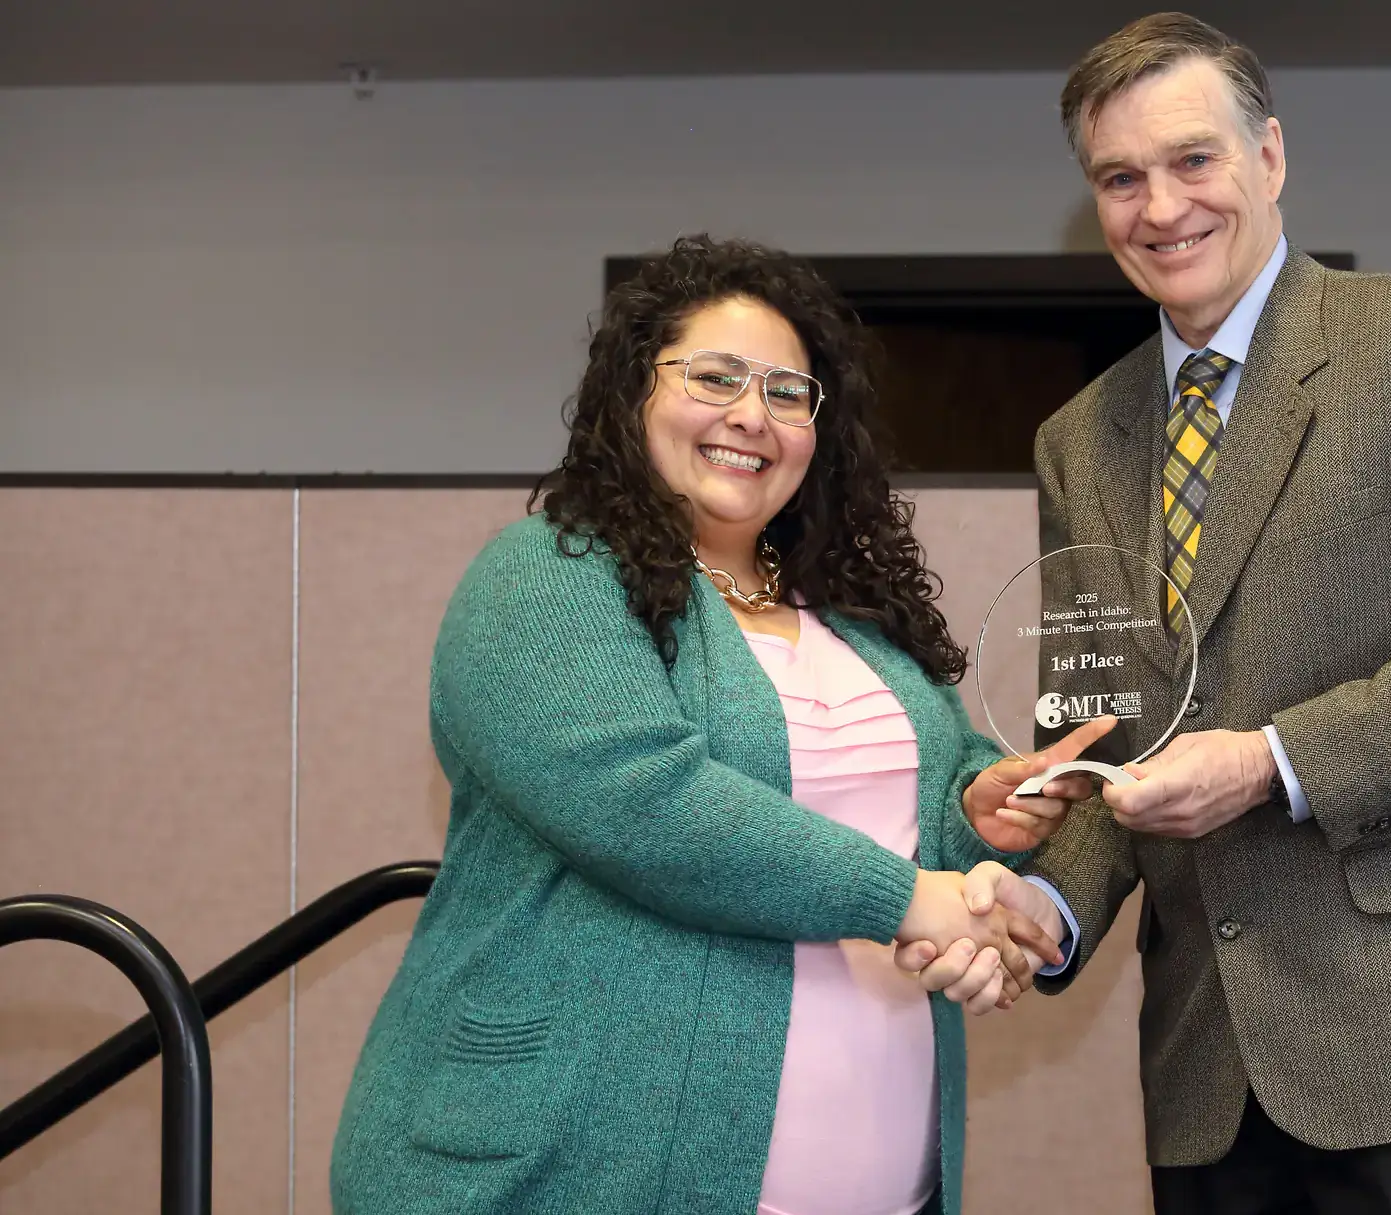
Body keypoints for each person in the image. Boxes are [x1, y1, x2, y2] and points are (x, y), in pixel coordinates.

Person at [899, 14, 1391, 1214]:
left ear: (1269, 156)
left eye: (1193, 160)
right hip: (1205, 1068)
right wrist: (1044, 905)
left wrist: (1270, 760)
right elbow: (1107, 748)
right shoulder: (1079, 439)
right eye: (1121, 179)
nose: (1161, 207)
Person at [329, 235, 1103, 1215]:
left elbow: (910, 808)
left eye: (787, 392)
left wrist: (973, 816)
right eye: (714, 376)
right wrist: (916, 899)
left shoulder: (855, 613)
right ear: (633, 392)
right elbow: (650, 809)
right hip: (567, 1173)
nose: (751, 414)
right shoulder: (548, 576)